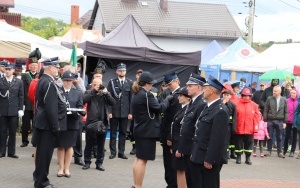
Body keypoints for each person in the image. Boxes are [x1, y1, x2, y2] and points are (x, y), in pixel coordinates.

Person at [131, 71, 171, 188]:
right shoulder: (146, 94)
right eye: (151, 84)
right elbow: (159, 108)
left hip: (140, 128)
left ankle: (136, 185)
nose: (152, 86)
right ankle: (138, 186)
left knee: (138, 158)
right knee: (143, 160)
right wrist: (167, 99)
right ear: (147, 84)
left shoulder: (136, 93)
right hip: (147, 131)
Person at [33, 59, 67, 188]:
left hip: (42, 123)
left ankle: (38, 177)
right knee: (44, 155)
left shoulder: (43, 80)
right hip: (47, 125)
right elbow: (50, 107)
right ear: (50, 67)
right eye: (56, 67)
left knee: (42, 154)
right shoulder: (48, 82)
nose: (58, 70)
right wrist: (55, 126)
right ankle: (42, 182)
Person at [190, 75, 229, 188]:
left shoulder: (220, 111)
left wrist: (210, 159)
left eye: (205, 87)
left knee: (208, 184)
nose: (203, 90)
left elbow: (217, 139)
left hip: (207, 158)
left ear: (212, 90)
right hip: (199, 155)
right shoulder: (208, 107)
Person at [176, 73, 206, 187]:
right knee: (190, 182)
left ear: (198, 87)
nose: (187, 88)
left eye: (190, 86)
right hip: (188, 150)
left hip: (194, 151)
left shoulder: (201, 104)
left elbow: (199, 130)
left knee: (196, 183)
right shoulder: (193, 102)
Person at [82, 78, 116, 171]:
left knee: (101, 144)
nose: (98, 86)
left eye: (100, 84)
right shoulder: (89, 92)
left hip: (103, 122)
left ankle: (99, 163)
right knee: (89, 144)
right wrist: (93, 91)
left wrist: (107, 93)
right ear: (92, 85)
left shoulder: (104, 94)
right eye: (96, 84)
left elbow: (113, 103)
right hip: (91, 122)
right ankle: (87, 162)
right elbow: (83, 100)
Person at [56, 71, 84, 178]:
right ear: (62, 81)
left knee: (69, 146)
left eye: (69, 80)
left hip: (72, 121)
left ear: (73, 81)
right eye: (65, 80)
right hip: (61, 121)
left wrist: (78, 111)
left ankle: (67, 168)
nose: (67, 82)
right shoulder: (58, 91)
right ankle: (60, 168)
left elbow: (80, 106)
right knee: (61, 146)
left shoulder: (77, 92)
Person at [107, 63, 133, 160]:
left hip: (125, 112)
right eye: (120, 70)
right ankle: (113, 152)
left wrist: (130, 112)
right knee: (113, 133)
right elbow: (108, 97)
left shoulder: (130, 82)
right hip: (114, 111)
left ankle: (121, 152)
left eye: (123, 70)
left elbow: (131, 99)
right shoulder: (112, 82)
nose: (122, 72)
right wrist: (109, 111)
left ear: (125, 71)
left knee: (123, 133)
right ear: (117, 71)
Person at [160, 72, 181, 188]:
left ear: (177, 81)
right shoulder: (168, 93)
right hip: (166, 133)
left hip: (171, 136)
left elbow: (176, 119)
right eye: (167, 84)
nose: (168, 86)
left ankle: (172, 184)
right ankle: (170, 183)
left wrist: (170, 136)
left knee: (171, 163)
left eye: (170, 83)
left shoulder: (180, 95)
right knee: (167, 162)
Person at [0, 62, 24, 158]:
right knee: (2, 131)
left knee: (13, 132)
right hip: (2, 109)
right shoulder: (0, 80)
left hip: (14, 110)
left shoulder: (18, 82)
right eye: (6, 69)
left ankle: (11, 152)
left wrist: (21, 109)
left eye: (9, 69)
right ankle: (2, 151)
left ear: (13, 70)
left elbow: (21, 96)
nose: (8, 71)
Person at [170, 87, 191, 188]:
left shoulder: (187, 110)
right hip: (176, 144)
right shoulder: (182, 109)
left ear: (188, 98)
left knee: (181, 171)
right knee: (178, 170)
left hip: (181, 145)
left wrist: (179, 148)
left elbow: (184, 131)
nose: (178, 97)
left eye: (181, 95)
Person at [235, 87, 260, 165]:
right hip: (239, 128)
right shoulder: (236, 104)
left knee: (249, 144)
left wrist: (255, 128)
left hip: (249, 129)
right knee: (238, 144)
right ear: (242, 95)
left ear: (250, 96)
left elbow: (256, 117)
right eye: (245, 96)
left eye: (248, 96)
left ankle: (247, 158)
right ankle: (238, 157)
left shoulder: (254, 105)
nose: (246, 97)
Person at [20, 55, 39, 147]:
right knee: (26, 123)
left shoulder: (40, 75)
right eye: (32, 65)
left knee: (36, 123)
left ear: (37, 66)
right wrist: (22, 102)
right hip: (27, 103)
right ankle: (24, 140)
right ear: (29, 66)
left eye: (35, 65)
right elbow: (23, 89)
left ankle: (35, 141)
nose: (34, 67)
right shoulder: (25, 75)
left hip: (36, 103)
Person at [263, 85, 287, 158]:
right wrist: (265, 120)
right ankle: (268, 151)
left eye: (275, 91)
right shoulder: (269, 99)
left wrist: (285, 122)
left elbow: (286, 111)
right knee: (269, 136)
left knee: (279, 137)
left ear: (280, 92)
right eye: (273, 91)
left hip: (280, 121)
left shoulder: (284, 100)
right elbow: (266, 110)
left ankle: (279, 152)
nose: (274, 92)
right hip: (270, 120)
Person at [129, 69, 143, 155]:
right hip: (134, 112)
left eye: (141, 74)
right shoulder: (133, 85)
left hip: (142, 113)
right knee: (132, 130)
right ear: (136, 76)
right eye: (138, 74)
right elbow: (129, 99)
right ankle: (134, 147)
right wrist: (130, 112)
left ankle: (140, 147)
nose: (139, 76)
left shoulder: (147, 86)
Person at [221, 88, 237, 160]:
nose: (226, 96)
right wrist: (223, 103)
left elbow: (234, 117)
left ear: (230, 96)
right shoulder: (219, 103)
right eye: (224, 95)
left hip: (229, 125)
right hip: (221, 124)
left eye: (228, 95)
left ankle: (228, 153)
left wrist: (234, 127)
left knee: (228, 139)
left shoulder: (233, 105)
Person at [283, 88, 298, 157]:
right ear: (290, 94)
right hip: (288, 121)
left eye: (294, 93)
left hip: (295, 122)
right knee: (287, 136)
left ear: (296, 94)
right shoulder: (286, 101)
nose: (293, 94)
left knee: (294, 137)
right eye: (291, 93)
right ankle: (285, 150)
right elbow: (284, 111)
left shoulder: (298, 102)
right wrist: (284, 121)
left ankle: (292, 151)